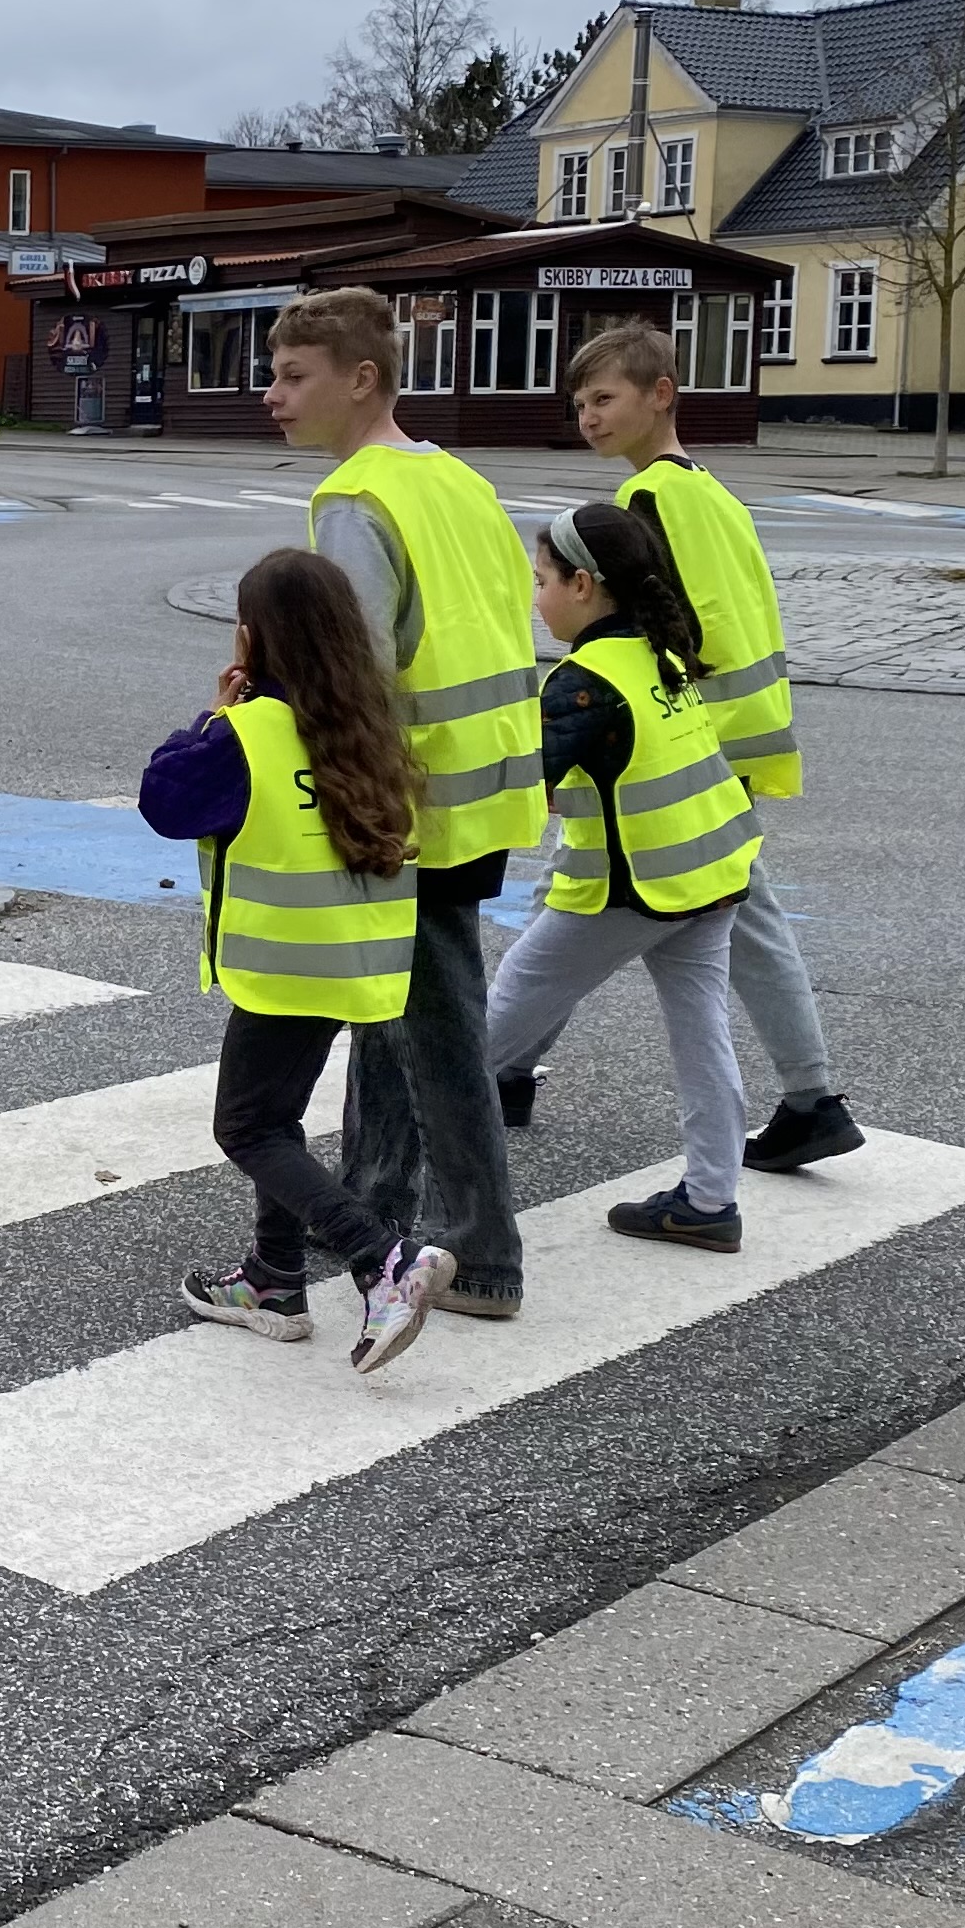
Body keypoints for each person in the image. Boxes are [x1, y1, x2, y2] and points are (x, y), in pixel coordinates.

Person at [276, 287, 543, 1321]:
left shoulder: (355, 499)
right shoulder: (459, 480)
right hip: (485, 788)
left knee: (435, 1026)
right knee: (393, 1007)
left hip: (408, 795)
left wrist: (332, 793)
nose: (273, 395)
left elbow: (352, 670)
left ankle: (482, 1254)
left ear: (361, 378)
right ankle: (371, 1198)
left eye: (295, 375)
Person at [545, 323, 863, 1170]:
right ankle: (810, 1095)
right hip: (738, 733)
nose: (591, 417)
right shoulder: (712, 491)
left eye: (605, 398)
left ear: (662, 395)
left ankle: (812, 1096)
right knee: (727, 911)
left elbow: (665, 620)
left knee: (598, 893)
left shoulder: (650, 499)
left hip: (691, 738)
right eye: (581, 404)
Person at [138, 547, 453, 1385]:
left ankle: (383, 1259)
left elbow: (164, 803)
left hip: (280, 964)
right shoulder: (371, 729)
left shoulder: (246, 735)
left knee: (244, 1127)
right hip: (352, 960)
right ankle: (273, 1282)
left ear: (251, 639)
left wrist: (212, 713)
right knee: (276, 1118)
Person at [486, 502, 765, 1248]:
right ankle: (710, 1201)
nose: (535, 596)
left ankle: (388, 1184)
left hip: (627, 888)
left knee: (483, 1036)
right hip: (710, 869)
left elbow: (516, 791)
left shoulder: (584, 681)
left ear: (583, 585)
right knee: (702, 1034)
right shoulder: (657, 649)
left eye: (542, 579)